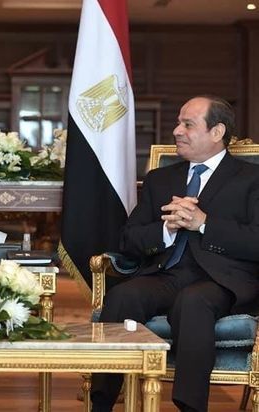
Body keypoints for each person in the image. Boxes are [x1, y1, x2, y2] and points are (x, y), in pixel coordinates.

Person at [91, 95, 259, 412]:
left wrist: (204, 223)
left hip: (222, 280)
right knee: (124, 296)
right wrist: (166, 230)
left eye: (188, 125)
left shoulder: (251, 179)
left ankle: (190, 406)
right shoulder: (160, 179)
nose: (177, 131)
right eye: (178, 123)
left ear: (217, 132)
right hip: (166, 274)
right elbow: (128, 239)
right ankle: (100, 403)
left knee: (193, 301)